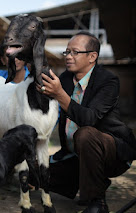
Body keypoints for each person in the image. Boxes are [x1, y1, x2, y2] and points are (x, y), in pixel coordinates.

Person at [37, 31, 136, 213]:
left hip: (111, 153)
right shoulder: (65, 78)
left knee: (86, 134)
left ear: (92, 57)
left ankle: (97, 203)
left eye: (75, 52)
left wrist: (59, 94)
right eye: (67, 52)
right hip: (74, 154)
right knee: (35, 173)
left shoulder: (108, 81)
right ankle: (89, 180)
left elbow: (89, 119)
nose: (68, 56)